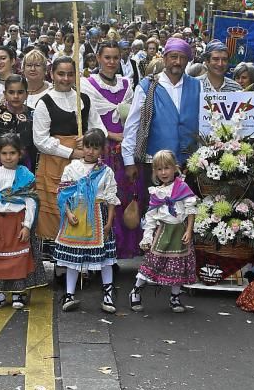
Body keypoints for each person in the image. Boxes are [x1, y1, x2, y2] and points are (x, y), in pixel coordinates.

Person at [34, 57, 105, 260]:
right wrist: (72, 152)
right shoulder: (44, 102)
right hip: (54, 164)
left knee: (84, 208)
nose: (65, 78)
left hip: (85, 164)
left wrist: (91, 137)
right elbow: (40, 140)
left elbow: (100, 127)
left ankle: (82, 262)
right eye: (61, 74)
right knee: (58, 211)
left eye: (70, 74)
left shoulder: (84, 99)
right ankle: (59, 263)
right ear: (52, 74)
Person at [121, 37, 203, 206]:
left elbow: (204, 124)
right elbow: (132, 125)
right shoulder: (147, 86)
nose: (177, 62)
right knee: (155, 213)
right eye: (173, 56)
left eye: (182, 58)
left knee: (187, 212)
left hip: (189, 163)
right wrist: (129, 161)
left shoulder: (197, 86)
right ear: (164, 58)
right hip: (156, 165)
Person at [83, 42, 141, 259]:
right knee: (102, 200)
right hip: (102, 151)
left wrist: (126, 139)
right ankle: (98, 251)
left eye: (115, 58)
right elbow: (90, 119)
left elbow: (134, 118)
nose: (111, 62)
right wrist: (111, 134)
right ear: (98, 58)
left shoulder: (127, 84)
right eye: (107, 57)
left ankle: (119, 250)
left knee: (123, 200)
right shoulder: (87, 84)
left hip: (124, 151)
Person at [0, 133, 51, 309]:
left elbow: (31, 202)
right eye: (4, 153)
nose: (8, 157)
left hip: (17, 222)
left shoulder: (26, 176)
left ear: (20, 154)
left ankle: (19, 294)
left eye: (12, 153)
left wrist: (27, 226)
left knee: (19, 258)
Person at [57, 129, 121, 314]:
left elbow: (111, 198)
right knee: (73, 259)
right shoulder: (71, 168)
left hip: (99, 217)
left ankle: (108, 293)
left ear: (102, 150)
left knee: (106, 259)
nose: (90, 151)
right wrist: (68, 214)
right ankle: (69, 294)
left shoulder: (106, 171)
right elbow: (63, 195)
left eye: (95, 148)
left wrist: (109, 222)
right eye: (87, 146)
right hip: (76, 215)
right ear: (82, 147)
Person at [130, 149, 198, 314]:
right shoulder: (156, 192)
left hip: (179, 232)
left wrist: (189, 230)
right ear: (154, 172)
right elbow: (151, 217)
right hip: (163, 233)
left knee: (178, 266)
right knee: (152, 263)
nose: (163, 172)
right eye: (159, 169)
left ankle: (175, 297)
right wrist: (147, 237)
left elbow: (190, 210)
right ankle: (136, 290)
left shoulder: (182, 187)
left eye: (166, 168)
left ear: (174, 168)